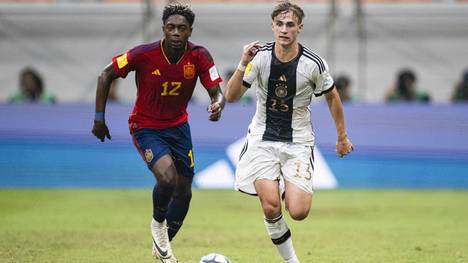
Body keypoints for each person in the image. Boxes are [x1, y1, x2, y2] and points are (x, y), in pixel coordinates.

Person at [91, 3, 225, 263]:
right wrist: (99, 118)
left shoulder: (200, 56)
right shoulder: (143, 54)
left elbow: (216, 91)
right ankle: (157, 224)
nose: (176, 32)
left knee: (184, 192)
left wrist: (218, 104)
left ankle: (163, 246)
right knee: (167, 178)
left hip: (178, 128)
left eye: (181, 28)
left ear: (190, 31)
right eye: (171, 27)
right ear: (163, 29)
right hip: (146, 126)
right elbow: (105, 74)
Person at [225, 1, 353, 262]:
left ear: (300, 28)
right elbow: (231, 96)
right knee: (271, 206)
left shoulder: (313, 64)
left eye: (290, 24)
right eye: (279, 24)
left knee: (298, 211)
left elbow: (332, 97)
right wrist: (242, 63)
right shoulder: (259, 58)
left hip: (298, 142)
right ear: (272, 27)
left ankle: (287, 185)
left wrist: (342, 136)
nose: (284, 29)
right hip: (263, 139)